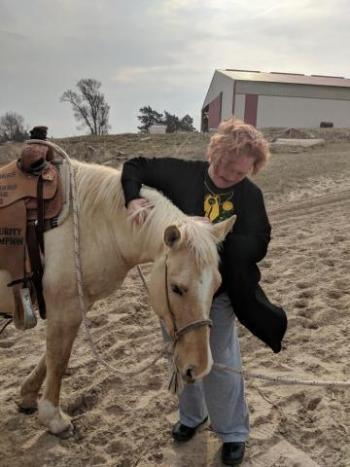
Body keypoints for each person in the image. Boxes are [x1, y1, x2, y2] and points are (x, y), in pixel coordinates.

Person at [121, 118, 287, 466]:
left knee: (222, 359)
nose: (230, 177)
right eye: (226, 167)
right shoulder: (183, 173)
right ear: (215, 153)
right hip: (176, 291)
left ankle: (233, 432)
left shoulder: (249, 195)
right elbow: (134, 166)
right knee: (181, 352)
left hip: (218, 293)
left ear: (252, 170)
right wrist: (132, 199)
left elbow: (260, 241)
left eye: (241, 172)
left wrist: (211, 243)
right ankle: (192, 417)